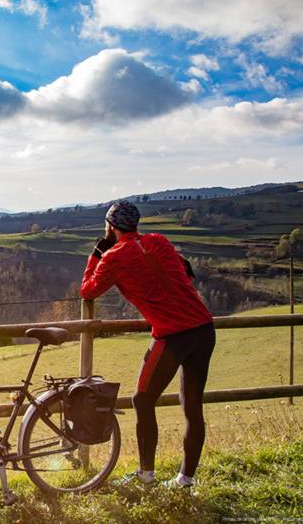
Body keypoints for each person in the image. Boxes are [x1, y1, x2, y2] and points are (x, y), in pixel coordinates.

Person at [80, 200, 214, 488]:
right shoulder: (158, 241)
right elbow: (186, 271)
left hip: (172, 335)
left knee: (142, 400)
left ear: (110, 227)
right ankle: (185, 479)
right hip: (203, 329)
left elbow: (87, 290)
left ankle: (146, 475)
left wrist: (97, 254)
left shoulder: (113, 257)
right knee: (192, 405)